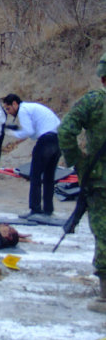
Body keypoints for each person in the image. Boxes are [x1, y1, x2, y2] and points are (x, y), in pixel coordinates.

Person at [58, 52, 106, 313]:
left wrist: (80, 163)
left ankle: (105, 297)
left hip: (101, 181)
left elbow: (65, 131)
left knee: (104, 232)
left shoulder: (94, 102)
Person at [3, 94, 61, 218]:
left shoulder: (23, 110)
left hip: (45, 141)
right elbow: (33, 133)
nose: (8, 112)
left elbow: (28, 132)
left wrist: (9, 132)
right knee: (49, 177)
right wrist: (17, 129)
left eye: (8, 109)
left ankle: (35, 210)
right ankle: (48, 210)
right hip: (58, 139)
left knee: (35, 176)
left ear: (15, 104)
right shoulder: (32, 108)